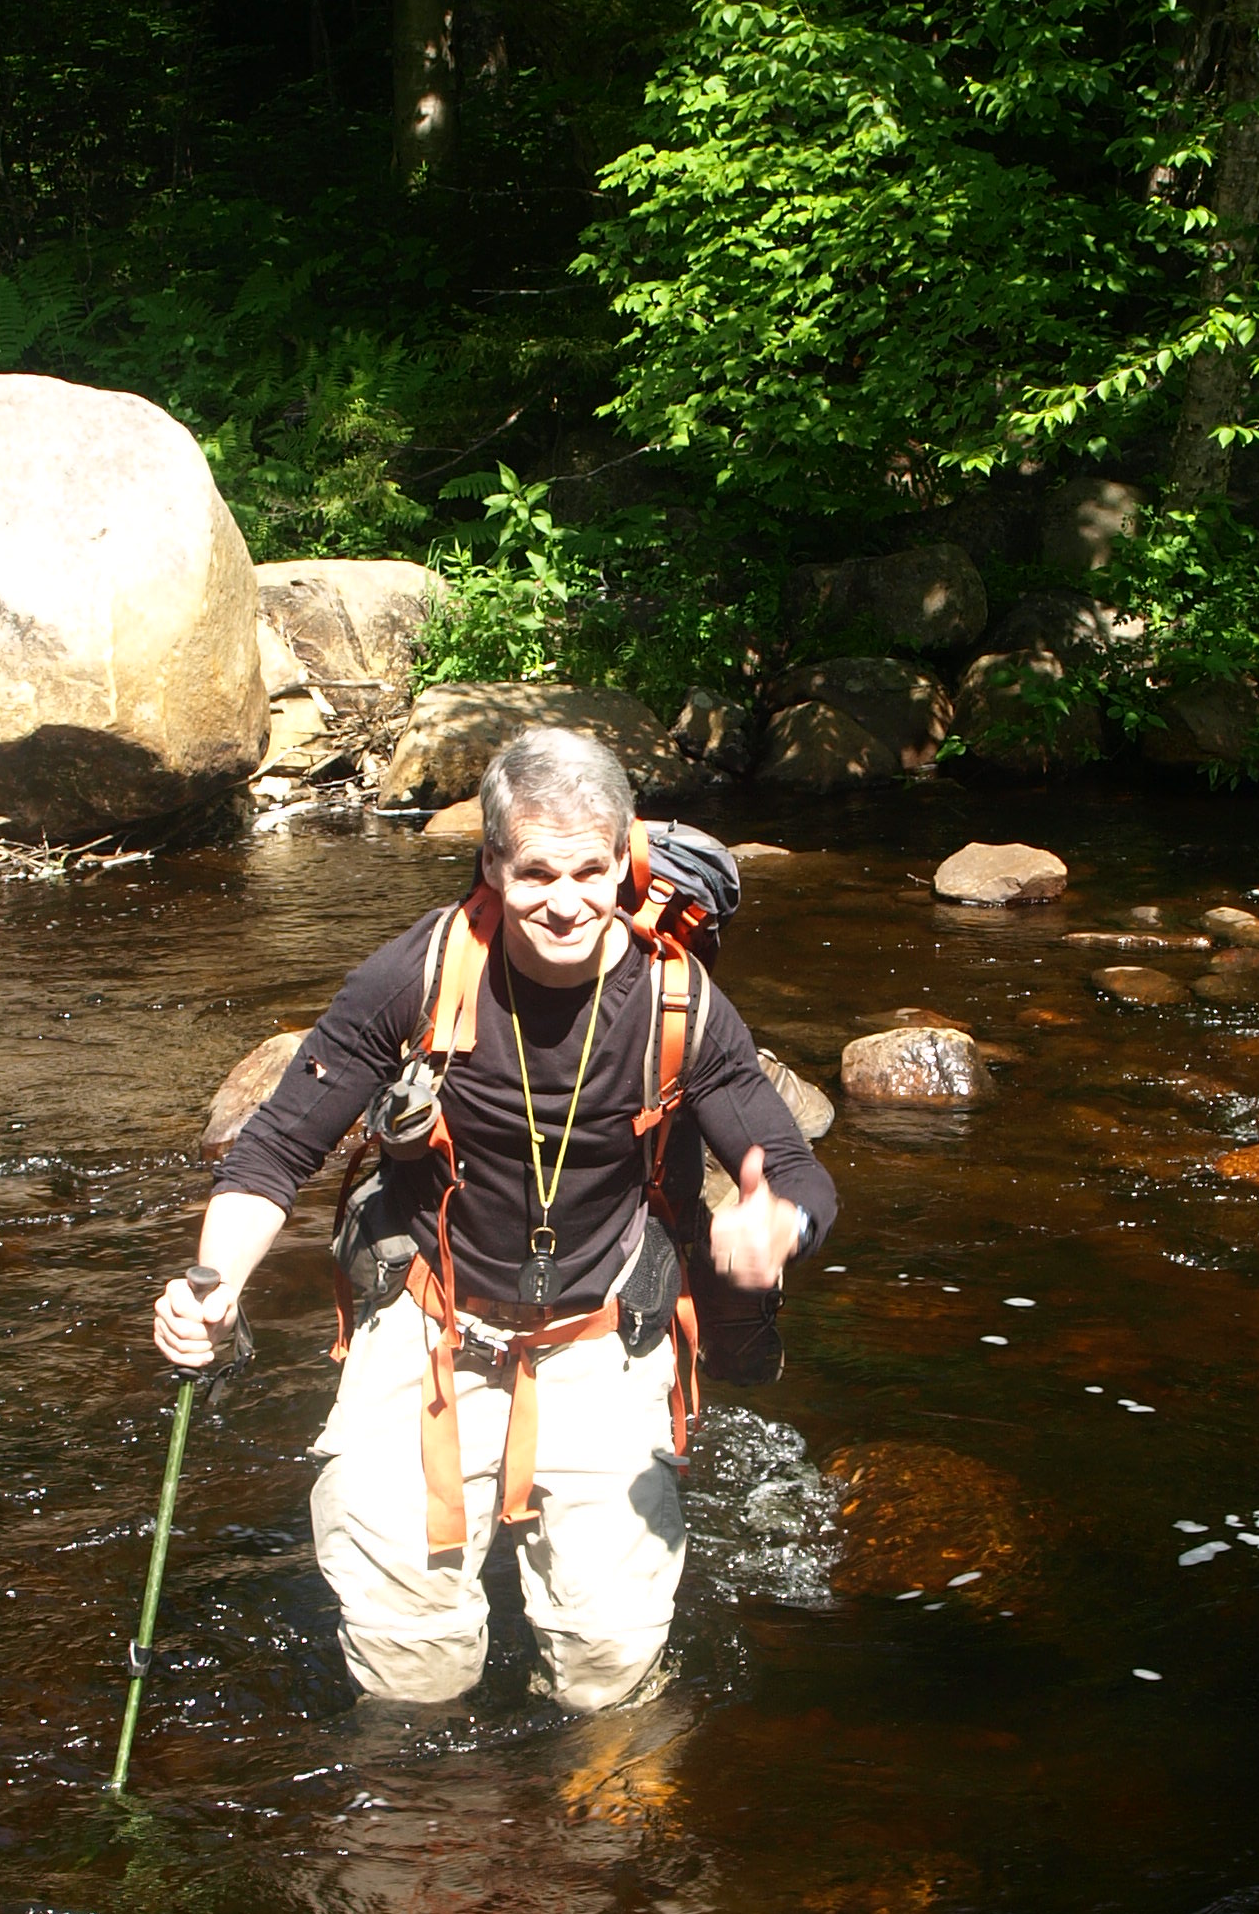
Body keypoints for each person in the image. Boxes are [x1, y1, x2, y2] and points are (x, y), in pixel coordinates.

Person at [153, 726, 836, 1712]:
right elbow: (274, 1151)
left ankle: (601, 1840)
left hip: (603, 1331)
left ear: (624, 857)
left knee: (609, 1672)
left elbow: (802, 1174)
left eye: (590, 870)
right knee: (411, 1666)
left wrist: (781, 1227)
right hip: (434, 1323)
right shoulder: (415, 978)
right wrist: (210, 1287)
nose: (564, 901)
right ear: (492, 863)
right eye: (536, 872)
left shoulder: (679, 1002)